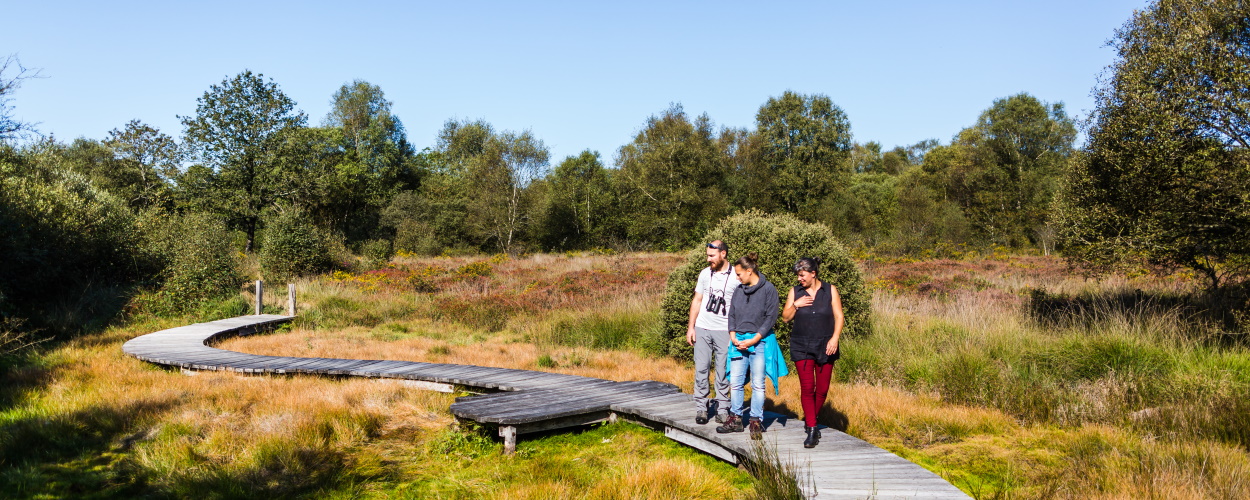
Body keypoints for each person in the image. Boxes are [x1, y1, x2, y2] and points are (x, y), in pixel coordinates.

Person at [715, 252, 786, 440]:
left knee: (758, 384)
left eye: (739, 274)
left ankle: (755, 420)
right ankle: (736, 418)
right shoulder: (739, 290)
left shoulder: (769, 289)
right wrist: (732, 334)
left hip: (760, 343)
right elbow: (732, 314)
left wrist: (755, 339)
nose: (737, 277)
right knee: (736, 383)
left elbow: (771, 317)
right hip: (738, 342)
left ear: (749, 271)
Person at [781, 256, 844, 448]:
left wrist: (835, 338)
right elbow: (785, 318)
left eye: (802, 275)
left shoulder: (830, 290)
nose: (799, 279)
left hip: (826, 345)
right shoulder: (795, 292)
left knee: (822, 389)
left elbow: (839, 316)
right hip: (802, 346)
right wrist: (795, 305)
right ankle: (812, 428)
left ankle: (811, 417)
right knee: (807, 388)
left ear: (813, 273)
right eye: (798, 276)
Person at [686, 240, 740, 425]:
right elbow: (697, 300)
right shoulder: (704, 274)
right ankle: (702, 407)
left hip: (724, 330)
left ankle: (722, 408)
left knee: (722, 371)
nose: (709, 259)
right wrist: (691, 327)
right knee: (701, 368)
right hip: (703, 327)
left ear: (723, 254)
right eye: (707, 255)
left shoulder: (736, 275)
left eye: (712, 256)